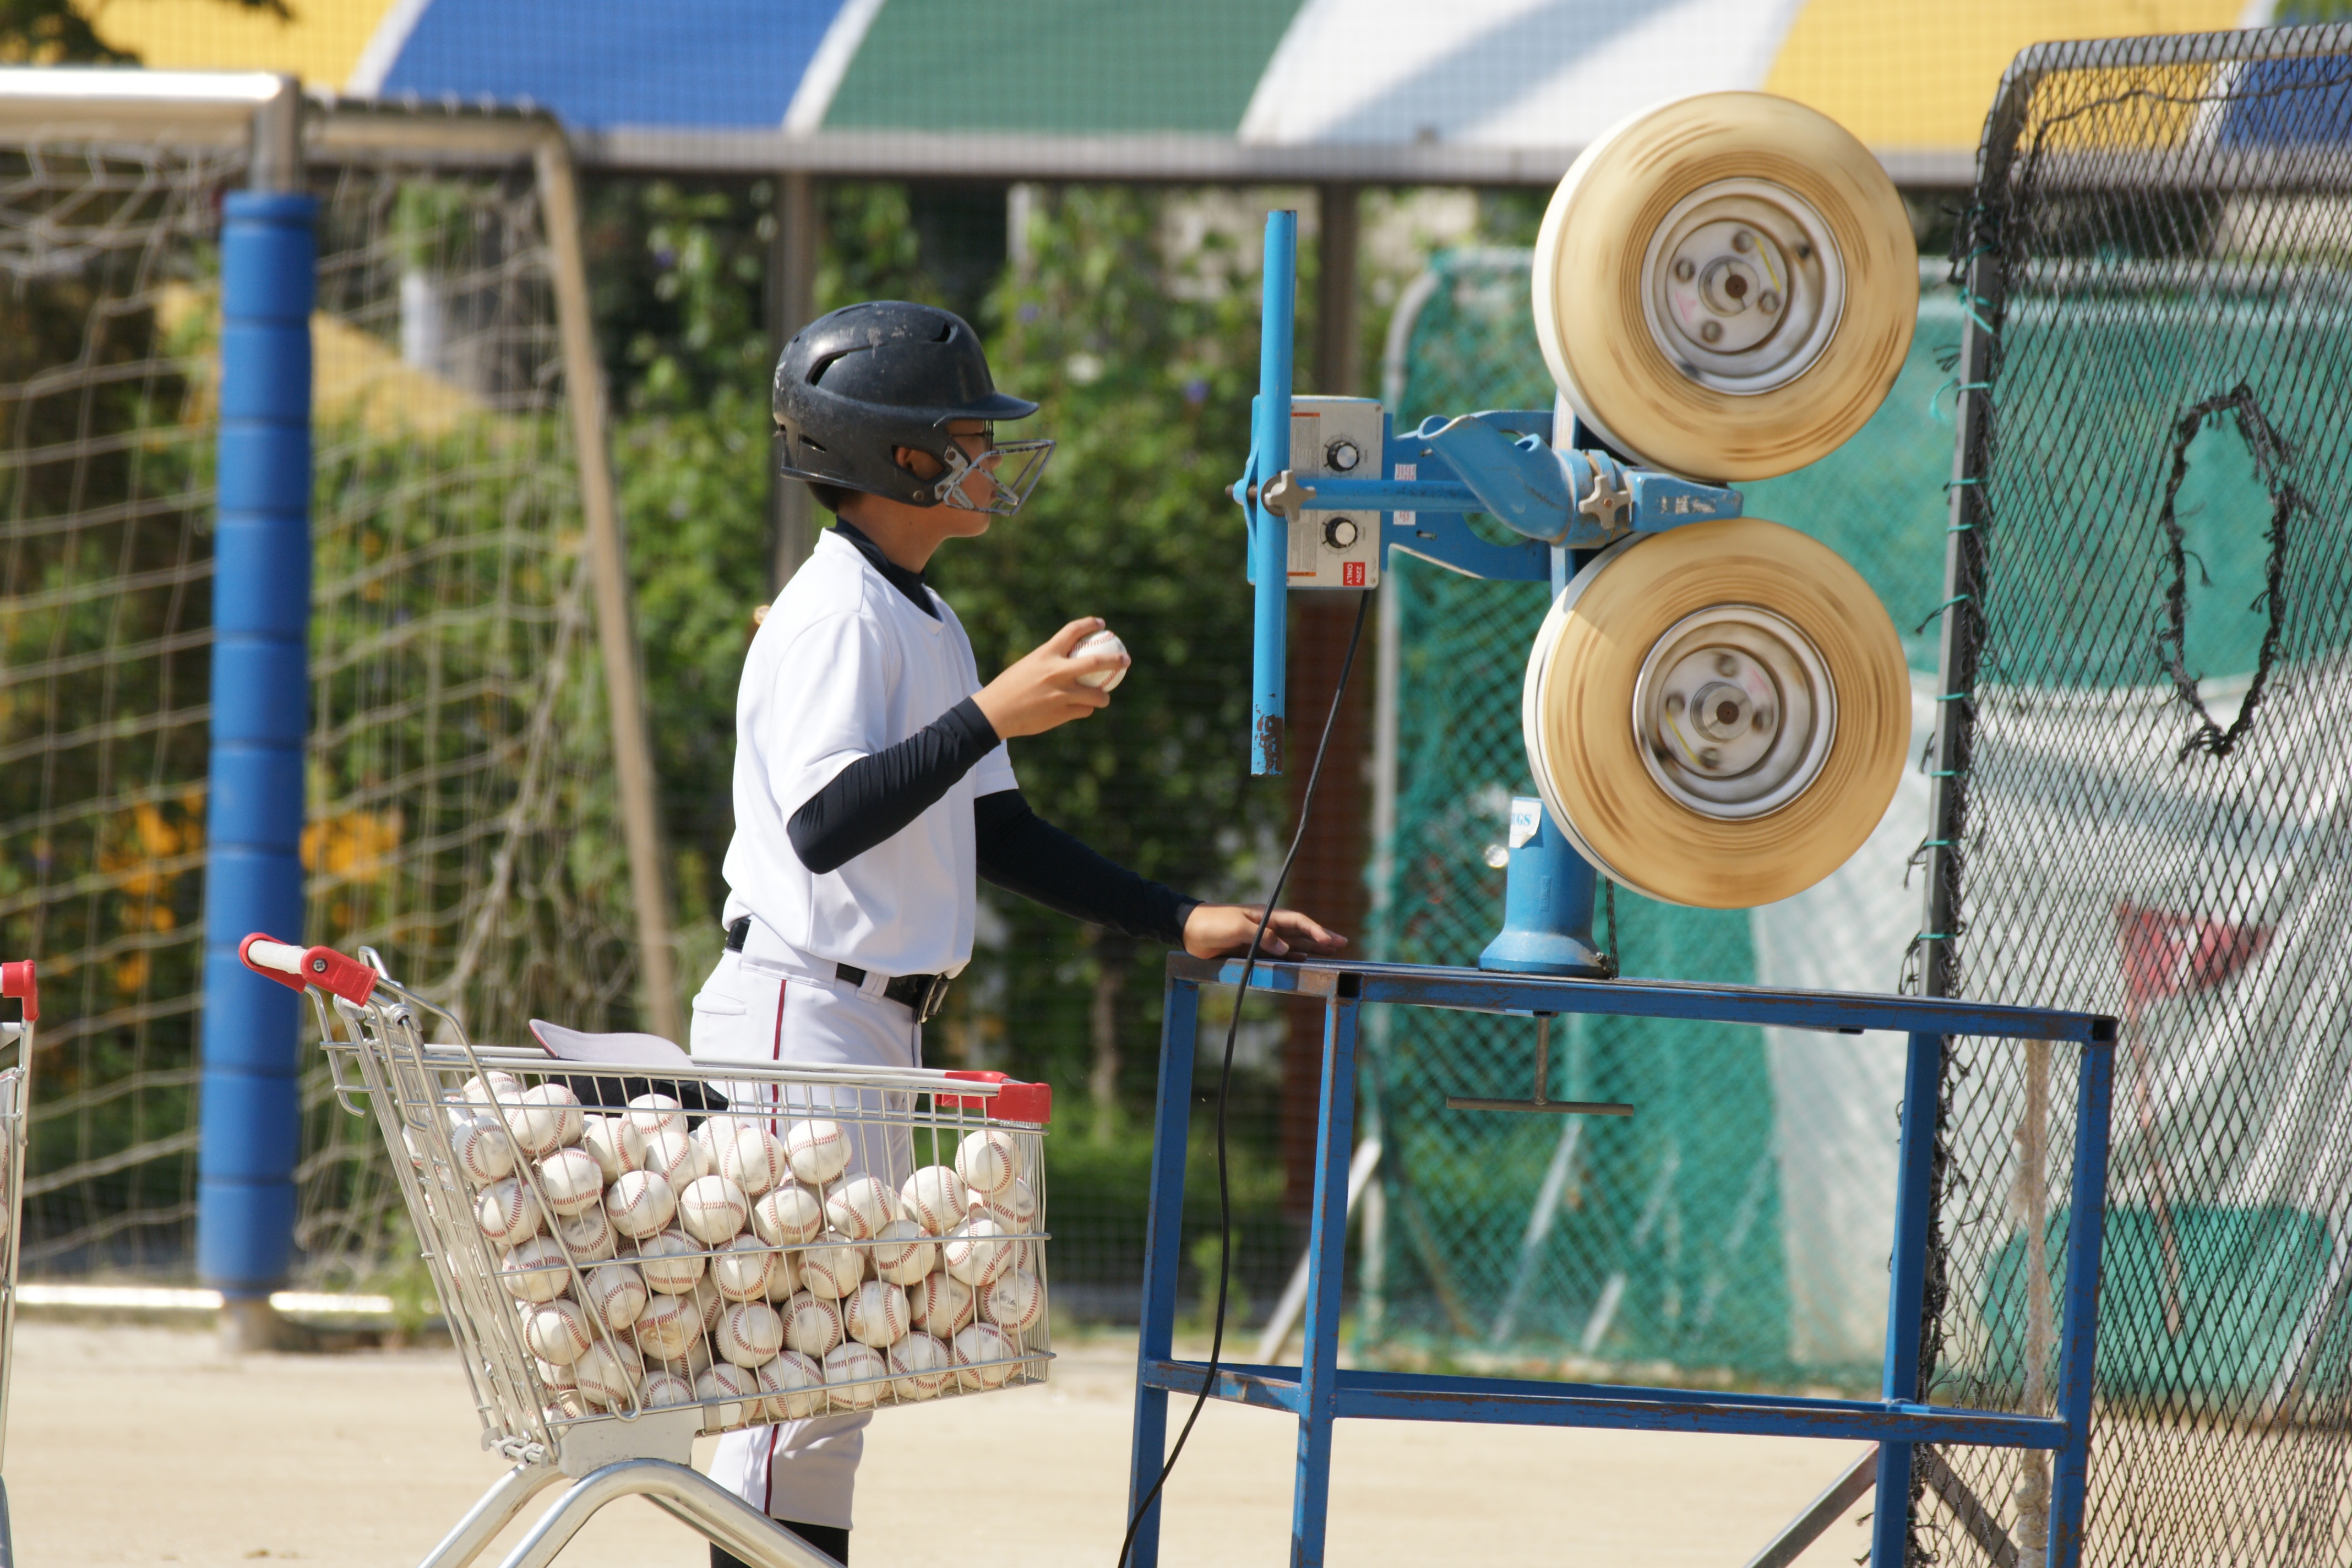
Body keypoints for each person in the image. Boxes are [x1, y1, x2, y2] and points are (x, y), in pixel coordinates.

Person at [695, 300, 1344, 1566]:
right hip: (798, 1008)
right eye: (966, 434)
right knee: (789, 1391)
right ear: (901, 458)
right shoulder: (840, 611)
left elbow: (1000, 833)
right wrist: (992, 714)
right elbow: (825, 824)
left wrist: (1179, 914)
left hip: (861, 1019)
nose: (989, 453)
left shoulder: (925, 616)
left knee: (834, 1382)